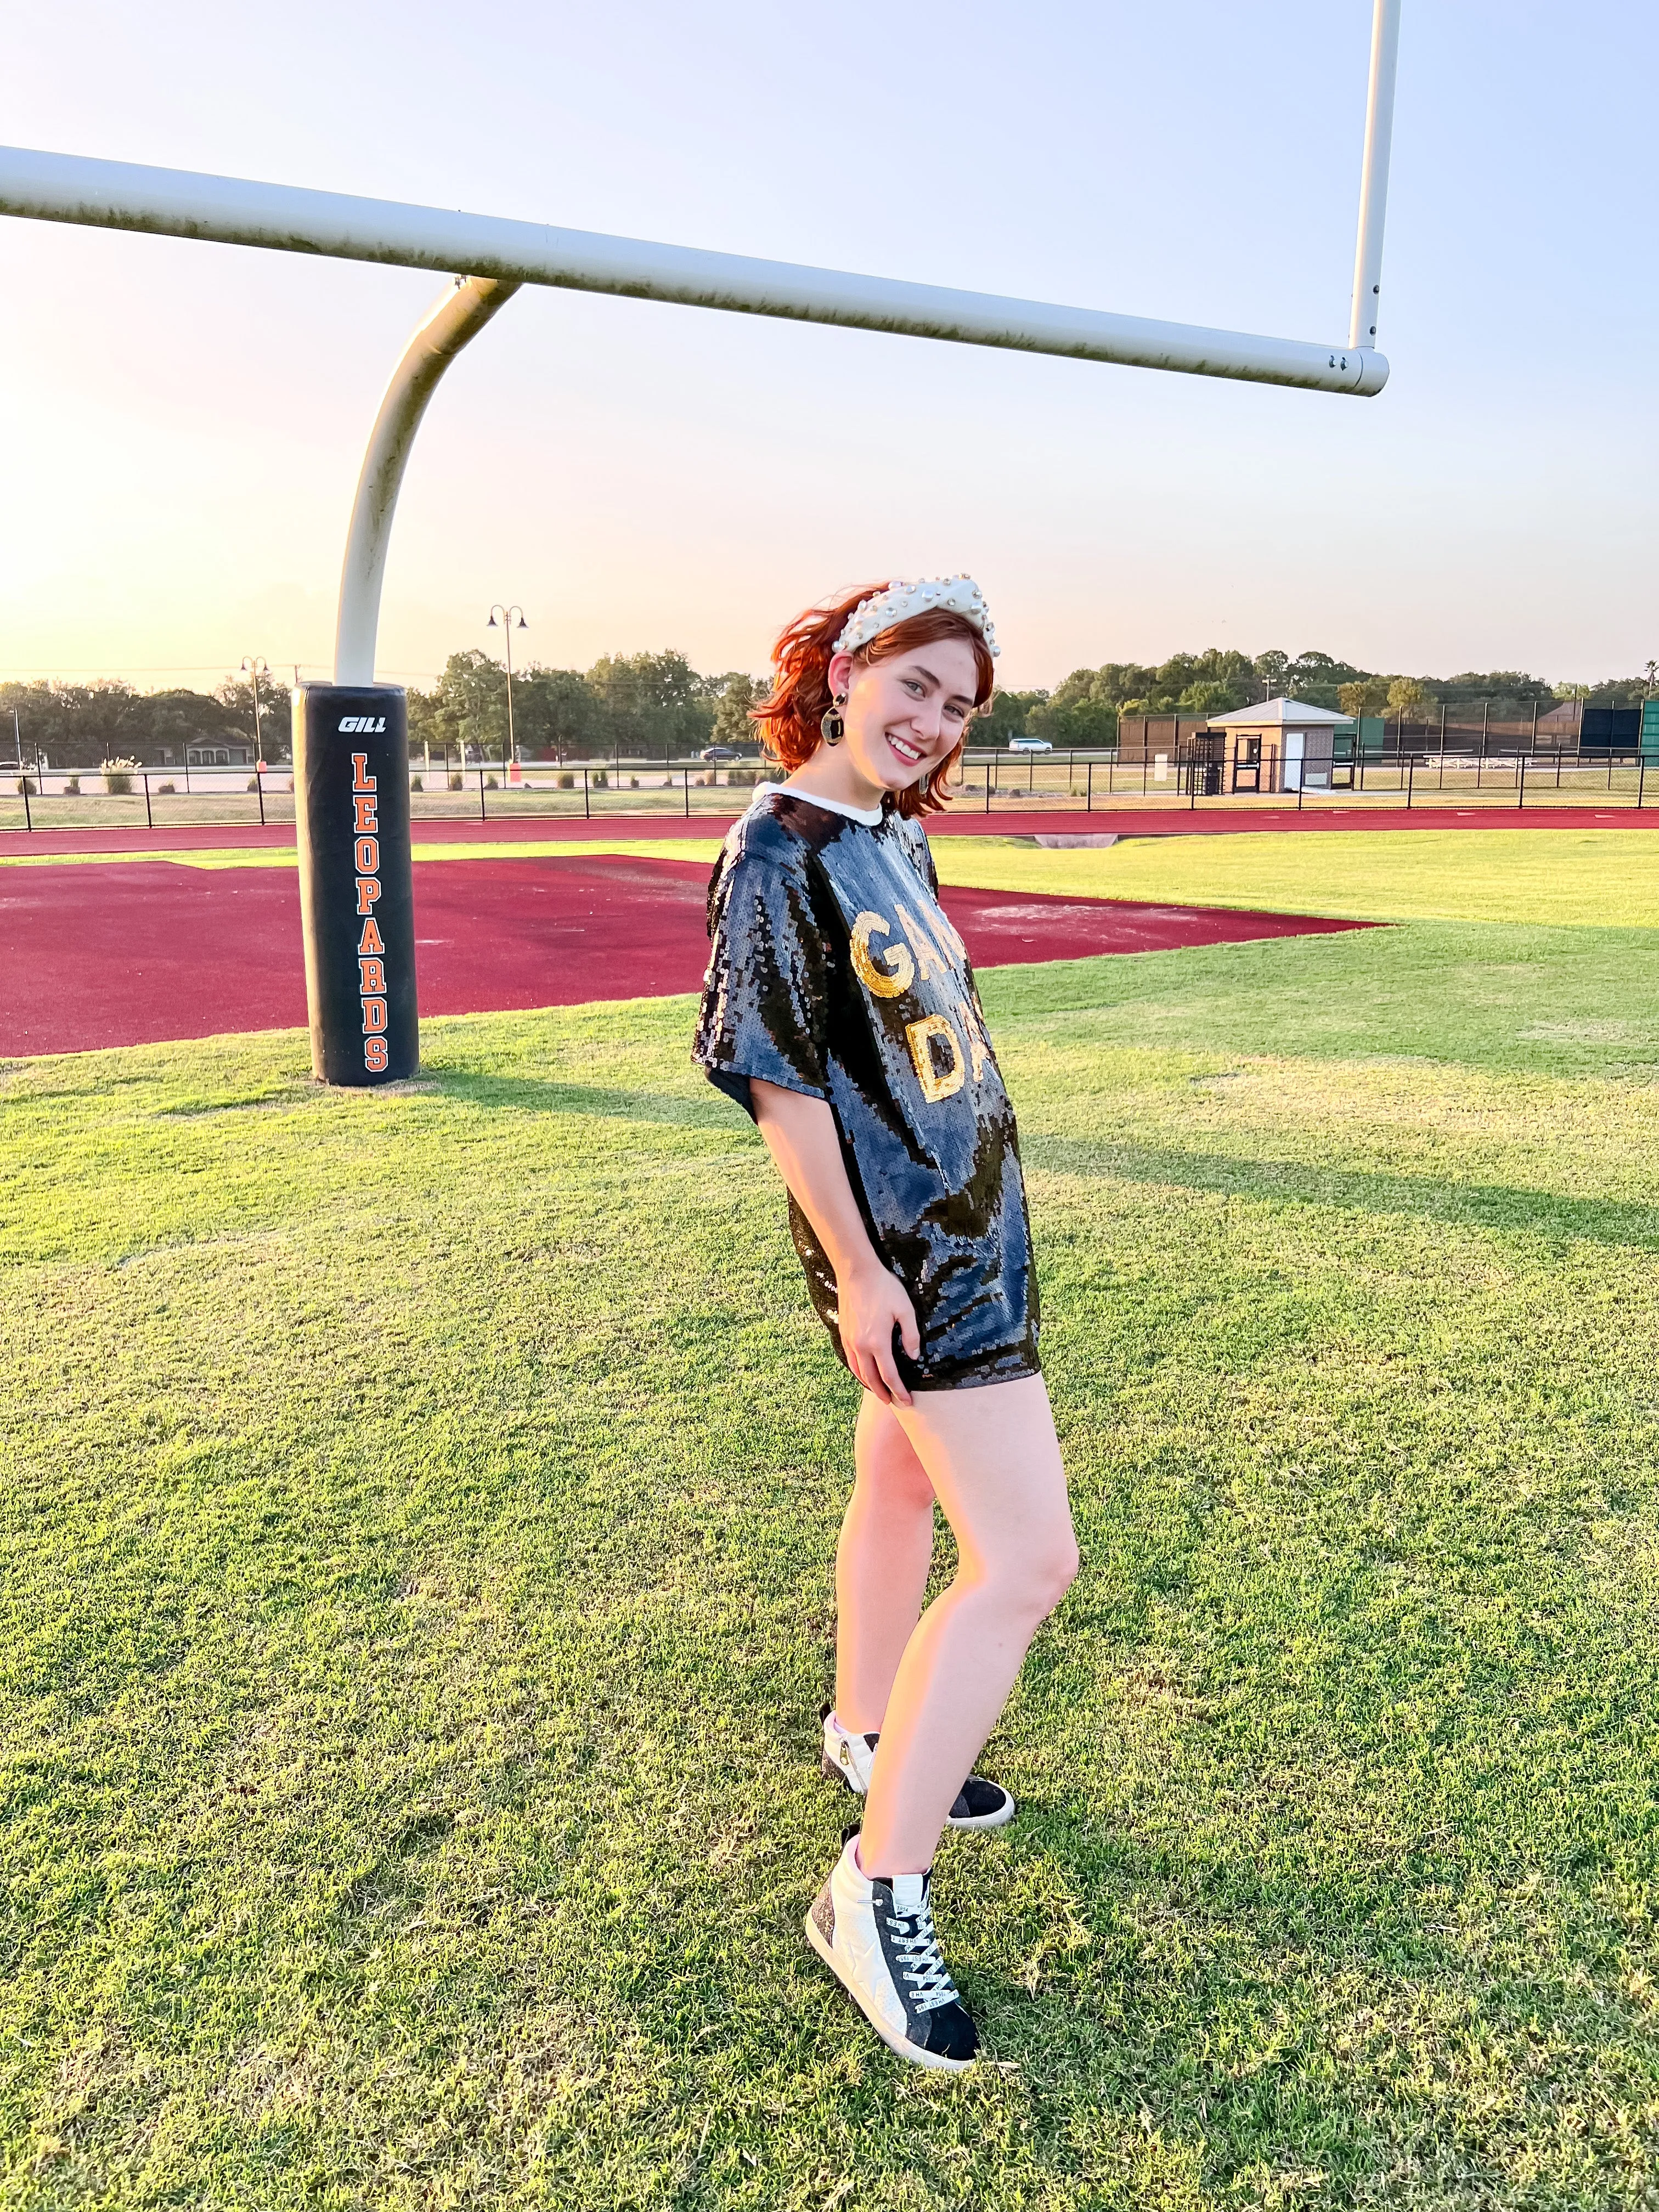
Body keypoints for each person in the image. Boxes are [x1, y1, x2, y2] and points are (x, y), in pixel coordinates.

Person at [693, 576, 1078, 2073]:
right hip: (914, 1250)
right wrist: (860, 1269)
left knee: (900, 1479)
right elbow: (780, 1080)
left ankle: (869, 1722)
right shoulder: (777, 847)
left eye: (959, 704)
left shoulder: (891, 834)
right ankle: (876, 1887)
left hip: (972, 1217)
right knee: (1030, 1560)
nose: (931, 722)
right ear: (845, 673)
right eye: (913, 684)